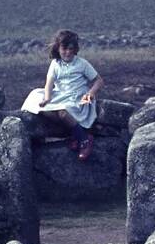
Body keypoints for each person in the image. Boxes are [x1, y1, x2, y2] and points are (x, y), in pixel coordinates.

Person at [21, 30, 104, 161]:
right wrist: (47, 98)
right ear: (58, 48)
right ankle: (74, 134)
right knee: (38, 102)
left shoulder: (82, 64)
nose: (68, 52)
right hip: (60, 95)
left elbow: (99, 80)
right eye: (64, 48)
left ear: (75, 49)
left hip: (77, 97)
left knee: (63, 113)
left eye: (71, 49)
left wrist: (90, 94)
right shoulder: (55, 64)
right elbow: (49, 83)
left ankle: (84, 139)